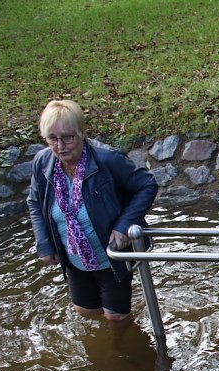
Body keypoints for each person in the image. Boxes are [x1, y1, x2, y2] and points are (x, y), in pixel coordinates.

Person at [27, 99, 157, 321]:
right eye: (52, 138)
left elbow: (147, 185)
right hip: (74, 257)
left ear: (82, 132)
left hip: (111, 256)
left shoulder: (108, 159)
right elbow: (35, 202)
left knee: (116, 318)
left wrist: (124, 225)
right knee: (86, 313)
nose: (60, 146)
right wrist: (44, 242)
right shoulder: (43, 162)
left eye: (68, 137)